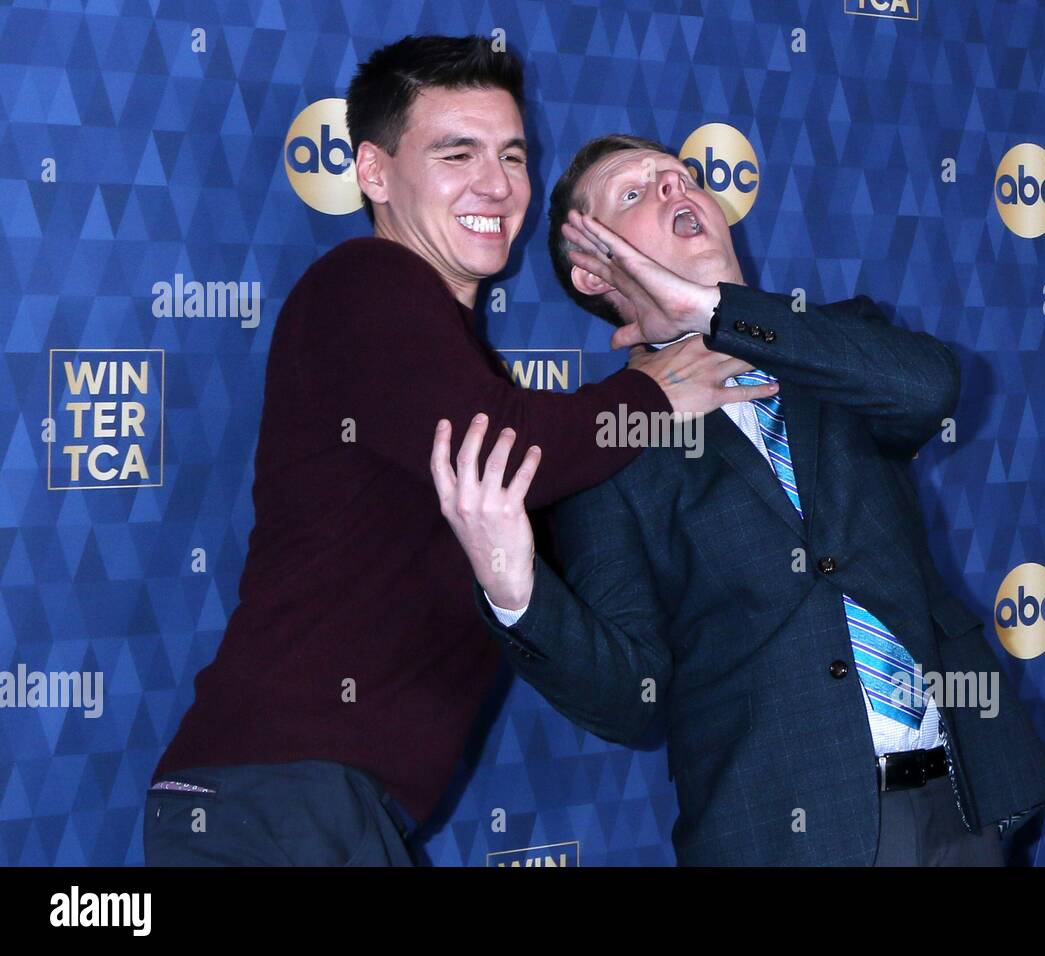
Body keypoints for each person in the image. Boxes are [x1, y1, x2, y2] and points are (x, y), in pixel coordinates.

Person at [144, 42, 769, 866]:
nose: (497, 183)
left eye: (511, 154)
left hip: (317, 805)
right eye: (455, 153)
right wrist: (655, 391)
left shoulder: (454, 361)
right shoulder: (364, 282)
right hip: (276, 801)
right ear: (372, 171)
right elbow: (498, 447)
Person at [432, 134, 1045, 866]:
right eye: (635, 194)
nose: (675, 190)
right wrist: (516, 588)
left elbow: (929, 389)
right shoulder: (608, 442)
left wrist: (713, 311)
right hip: (781, 835)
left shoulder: (836, 344)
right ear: (594, 271)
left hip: (965, 810)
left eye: (682, 177)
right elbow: (630, 699)